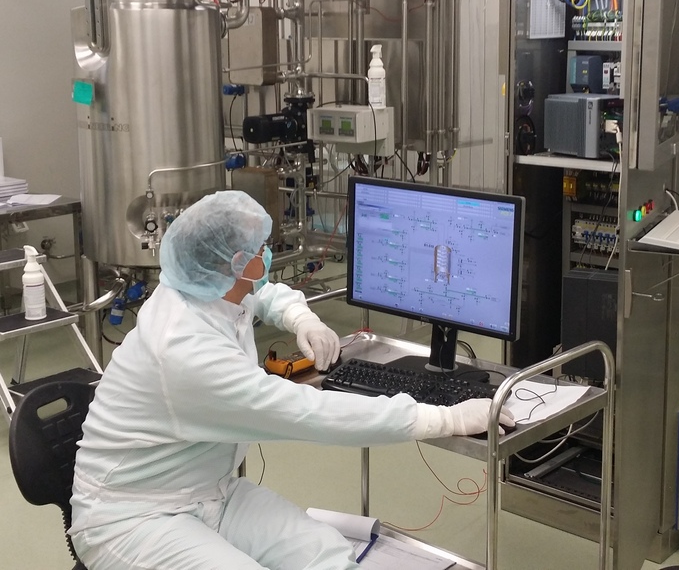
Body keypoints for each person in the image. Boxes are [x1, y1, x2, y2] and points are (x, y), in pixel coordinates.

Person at [69, 190, 514, 570]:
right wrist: (444, 419)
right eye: (260, 248)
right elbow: (309, 412)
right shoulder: (182, 348)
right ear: (237, 262)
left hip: (210, 491)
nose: (268, 253)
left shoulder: (205, 284)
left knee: (327, 554)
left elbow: (261, 292)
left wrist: (301, 318)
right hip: (132, 517)